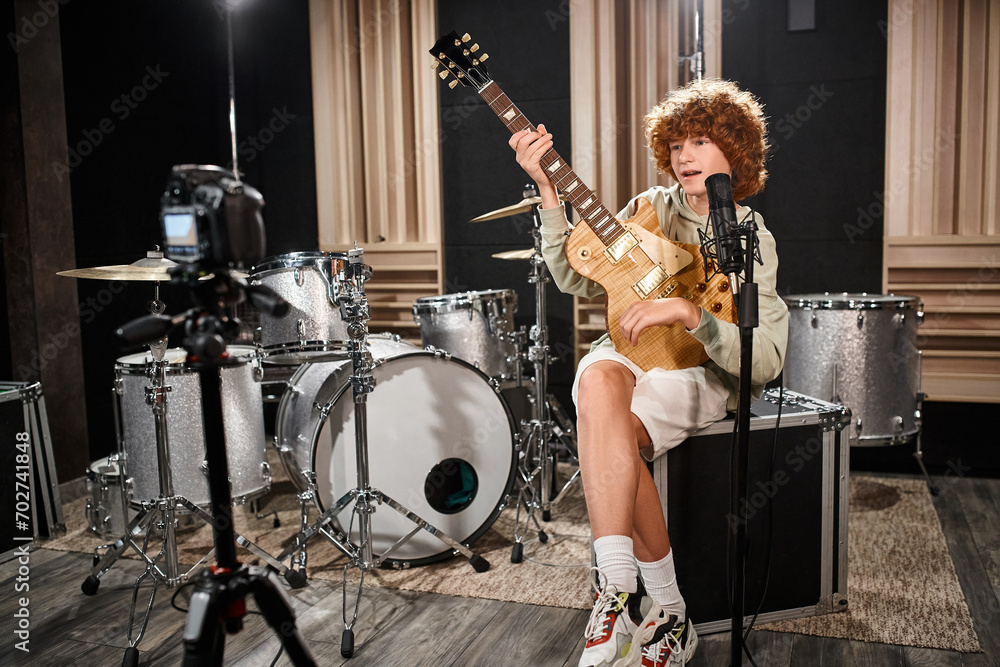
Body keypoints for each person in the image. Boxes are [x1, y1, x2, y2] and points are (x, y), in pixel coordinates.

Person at [508, 78, 788, 667]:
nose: (684, 155)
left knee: (611, 440)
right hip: (632, 358)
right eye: (677, 144)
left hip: (696, 373)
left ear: (734, 152)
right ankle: (616, 589)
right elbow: (576, 279)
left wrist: (691, 314)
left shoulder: (750, 236)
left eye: (701, 141)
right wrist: (548, 192)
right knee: (596, 378)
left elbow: (762, 361)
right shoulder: (648, 209)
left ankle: (667, 609)